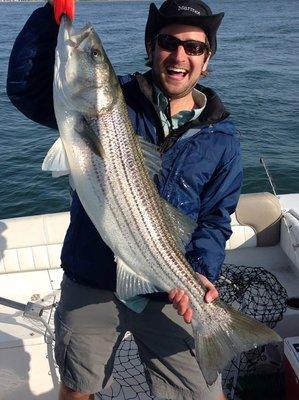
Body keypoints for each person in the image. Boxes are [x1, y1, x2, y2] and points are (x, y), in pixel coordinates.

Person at [6, 0, 242, 399]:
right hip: (91, 280)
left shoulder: (222, 138)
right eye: (168, 41)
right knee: (79, 386)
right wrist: (50, 17)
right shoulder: (112, 103)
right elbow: (25, 87)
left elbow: (215, 220)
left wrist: (201, 271)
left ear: (207, 59)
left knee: (202, 394)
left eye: (195, 47)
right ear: (151, 47)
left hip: (168, 286)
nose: (180, 55)